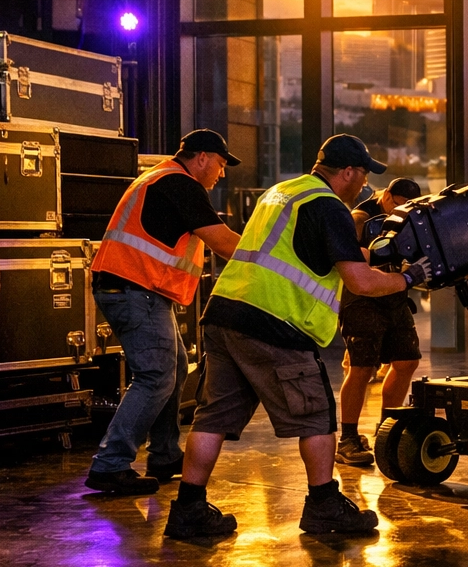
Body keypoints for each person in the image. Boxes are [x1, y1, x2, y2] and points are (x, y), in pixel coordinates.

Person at [164, 135, 430, 540]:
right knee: (317, 417)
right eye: (363, 175)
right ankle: (324, 505)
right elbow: (359, 281)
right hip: (275, 322)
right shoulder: (329, 208)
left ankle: (188, 509)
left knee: (213, 416)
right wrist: (409, 277)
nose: (364, 185)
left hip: (224, 312)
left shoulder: (281, 192)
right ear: (348, 172)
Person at [84, 130, 244, 495]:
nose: (222, 173)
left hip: (137, 289)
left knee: (171, 368)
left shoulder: (161, 177)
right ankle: (110, 465)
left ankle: (165, 454)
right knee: (156, 375)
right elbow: (223, 243)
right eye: (220, 164)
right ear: (202, 157)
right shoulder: (180, 184)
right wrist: (271, 258)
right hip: (134, 290)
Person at [335, 177, 424, 467]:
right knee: (362, 367)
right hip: (362, 297)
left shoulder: (409, 218)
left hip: (393, 294)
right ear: (386, 196)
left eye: (406, 206)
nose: (401, 209)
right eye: (397, 204)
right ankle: (347, 439)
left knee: (407, 361)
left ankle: (389, 428)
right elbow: (353, 256)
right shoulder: (361, 218)